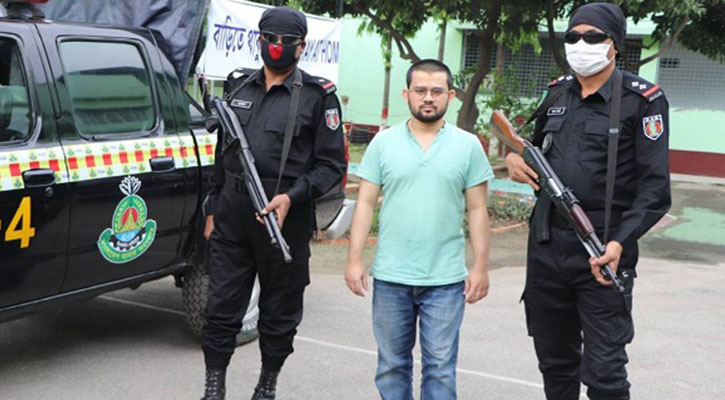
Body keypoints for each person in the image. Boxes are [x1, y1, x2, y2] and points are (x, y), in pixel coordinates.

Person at [505, 3, 671, 400]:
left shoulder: (642, 100)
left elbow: (655, 190)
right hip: (547, 247)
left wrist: (619, 242)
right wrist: (512, 160)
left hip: (603, 250)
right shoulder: (557, 92)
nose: (582, 45)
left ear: (615, 44)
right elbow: (530, 150)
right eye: (573, 37)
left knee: (604, 375)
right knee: (555, 364)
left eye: (593, 37)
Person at [199, 7, 346, 400]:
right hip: (232, 214)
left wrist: (291, 197)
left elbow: (331, 166)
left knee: (279, 313)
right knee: (219, 309)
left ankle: (266, 386)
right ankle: (214, 388)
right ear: (260, 41)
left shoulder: (319, 97)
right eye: (271, 39)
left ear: (302, 47)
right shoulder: (239, 87)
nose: (277, 47)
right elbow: (223, 154)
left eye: (287, 41)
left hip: (285, 219)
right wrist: (212, 207)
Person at [345, 59, 494, 400]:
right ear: (407, 94)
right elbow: (365, 203)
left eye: (437, 91)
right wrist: (354, 261)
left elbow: (477, 209)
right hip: (391, 276)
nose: (428, 98)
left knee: (440, 368)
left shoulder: (468, 145)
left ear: (450, 96)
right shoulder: (383, 143)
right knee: (391, 366)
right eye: (420, 90)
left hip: (445, 280)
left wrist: (481, 267)